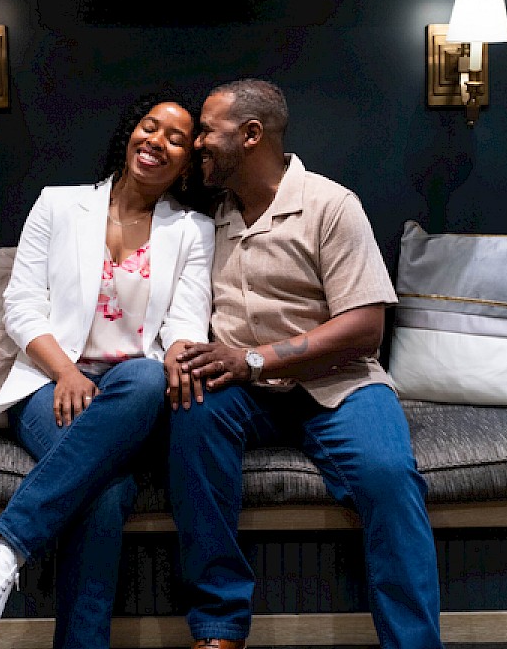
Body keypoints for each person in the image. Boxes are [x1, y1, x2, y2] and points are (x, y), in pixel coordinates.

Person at [167, 79, 443, 649]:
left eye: (207, 131)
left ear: (250, 135)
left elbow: (365, 327)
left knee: (389, 478)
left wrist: (254, 358)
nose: (196, 143)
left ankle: (414, 644)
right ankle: (218, 625)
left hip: (338, 384)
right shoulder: (204, 215)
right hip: (242, 391)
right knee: (192, 416)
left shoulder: (329, 205)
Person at [0, 95, 215, 649]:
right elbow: (20, 305)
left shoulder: (192, 230)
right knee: (104, 491)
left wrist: (178, 353)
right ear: (130, 133)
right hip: (49, 386)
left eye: (176, 139)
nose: (157, 142)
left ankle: (8, 548)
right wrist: (68, 373)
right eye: (150, 127)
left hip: (133, 399)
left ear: (187, 163)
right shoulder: (59, 205)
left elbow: (186, 324)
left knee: (143, 378)